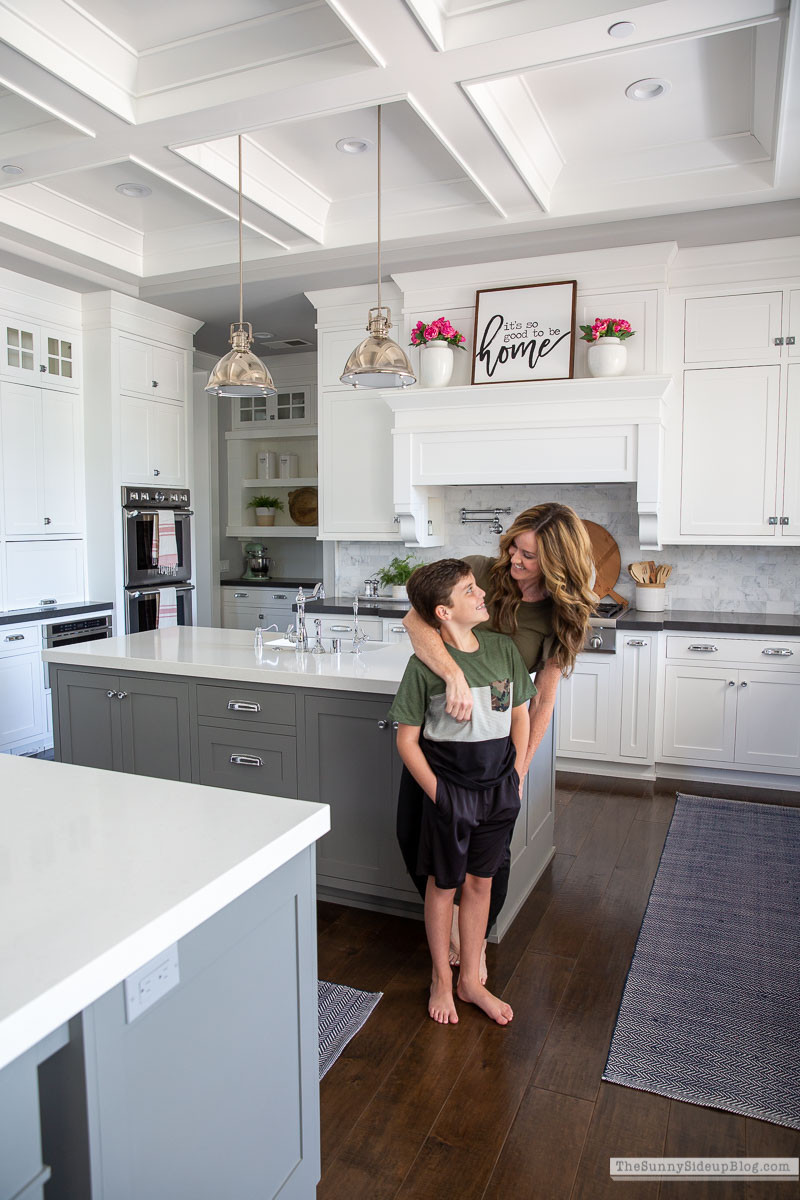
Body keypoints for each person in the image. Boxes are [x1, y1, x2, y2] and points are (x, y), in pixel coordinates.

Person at [398, 503, 596, 978]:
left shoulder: (560, 616)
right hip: (440, 741)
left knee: (491, 860)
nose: (514, 561)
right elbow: (415, 622)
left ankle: (476, 944)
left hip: (493, 749)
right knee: (413, 835)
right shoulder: (482, 573)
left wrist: (520, 772)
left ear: (557, 565)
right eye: (514, 547)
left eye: (528, 556)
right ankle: (447, 933)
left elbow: (542, 702)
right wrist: (453, 676)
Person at [389, 559, 536, 1025]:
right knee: (443, 886)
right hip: (450, 792)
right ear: (444, 612)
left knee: (481, 882)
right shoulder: (423, 668)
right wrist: (440, 795)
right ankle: (441, 978)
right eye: (470, 591)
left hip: (498, 789)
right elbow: (406, 741)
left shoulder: (502, 650)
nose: (482, 595)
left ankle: (471, 980)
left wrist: (514, 776)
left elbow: (519, 716)